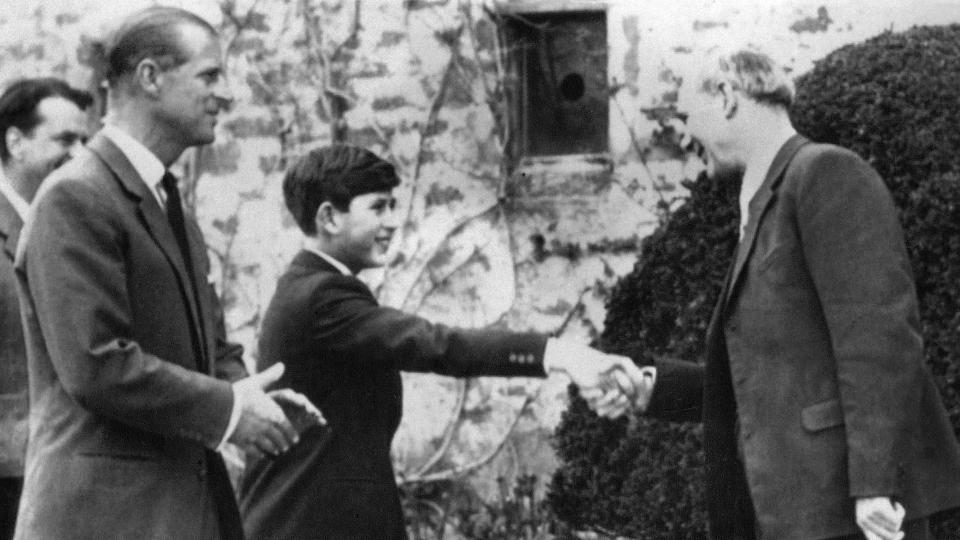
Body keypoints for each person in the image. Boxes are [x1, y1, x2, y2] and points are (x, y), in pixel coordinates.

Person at [619, 48, 960, 539]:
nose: (685, 137)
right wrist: (657, 388)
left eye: (687, 116)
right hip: (791, 515)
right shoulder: (759, 202)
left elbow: (880, 341)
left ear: (727, 96)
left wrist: (874, 487)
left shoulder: (824, 173)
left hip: (849, 516)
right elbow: (770, 380)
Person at [13, 7, 320, 540]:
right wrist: (227, 411)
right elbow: (97, 364)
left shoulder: (166, 200)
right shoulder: (75, 197)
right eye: (210, 75)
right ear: (151, 78)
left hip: (178, 510)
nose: (226, 95)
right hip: (105, 520)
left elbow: (205, 345)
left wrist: (245, 393)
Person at [238, 144, 652, 539]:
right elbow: (437, 345)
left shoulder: (313, 288)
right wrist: (559, 353)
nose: (392, 221)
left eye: (392, 205)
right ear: (329, 218)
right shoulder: (320, 297)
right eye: (378, 207)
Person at [0, 77, 91, 540]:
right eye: (64, 140)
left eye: (84, 140)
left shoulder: (61, 224)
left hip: (60, 464)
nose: (79, 154)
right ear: (15, 142)